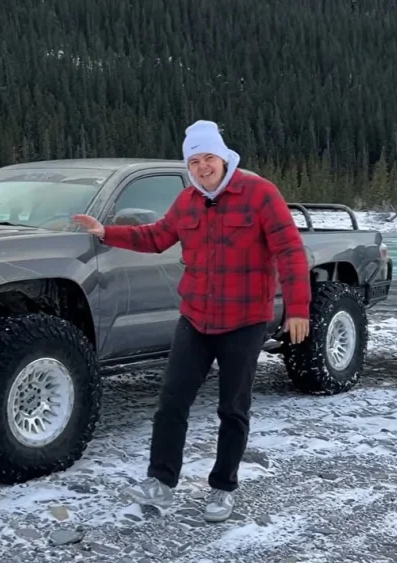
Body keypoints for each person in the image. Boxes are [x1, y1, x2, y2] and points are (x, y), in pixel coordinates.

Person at [70, 120, 311, 522]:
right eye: (194, 161)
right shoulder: (187, 201)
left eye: (208, 158)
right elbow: (155, 236)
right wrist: (106, 232)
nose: (202, 167)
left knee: (232, 408)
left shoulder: (259, 193)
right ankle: (161, 481)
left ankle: (222, 488)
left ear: (224, 157)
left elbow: (289, 250)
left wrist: (298, 308)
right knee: (171, 402)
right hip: (196, 319)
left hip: (245, 320)